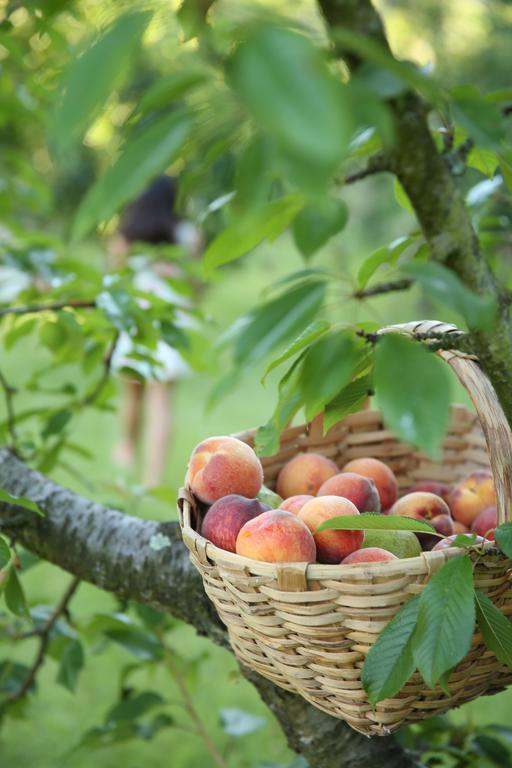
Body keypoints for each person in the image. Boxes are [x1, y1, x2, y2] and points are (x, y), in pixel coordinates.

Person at [108, 175, 202, 488]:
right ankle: (152, 479)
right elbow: (195, 287)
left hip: (137, 321)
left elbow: (114, 282)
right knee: (161, 403)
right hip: (170, 324)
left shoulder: (125, 237)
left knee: (132, 394)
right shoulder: (187, 235)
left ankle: (126, 447)